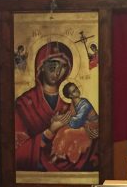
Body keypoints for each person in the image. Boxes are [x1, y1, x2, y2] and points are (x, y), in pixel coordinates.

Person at [14, 41, 98, 172]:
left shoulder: (72, 104)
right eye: (53, 63)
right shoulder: (23, 104)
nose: (58, 70)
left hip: (73, 163)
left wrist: (87, 130)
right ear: (41, 65)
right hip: (37, 167)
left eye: (63, 66)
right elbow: (17, 152)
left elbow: (92, 128)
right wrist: (50, 131)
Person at [51, 81, 98, 164]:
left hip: (91, 126)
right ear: (70, 96)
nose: (77, 91)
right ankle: (55, 152)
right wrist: (61, 118)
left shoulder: (84, 103)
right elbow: (70, 116)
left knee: (67, 132)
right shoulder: (73, 104)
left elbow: (77, 121)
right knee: (61, 131)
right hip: (82, 125)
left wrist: (63, 120)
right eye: (73, 91)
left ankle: (59, 154)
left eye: (76, 88)